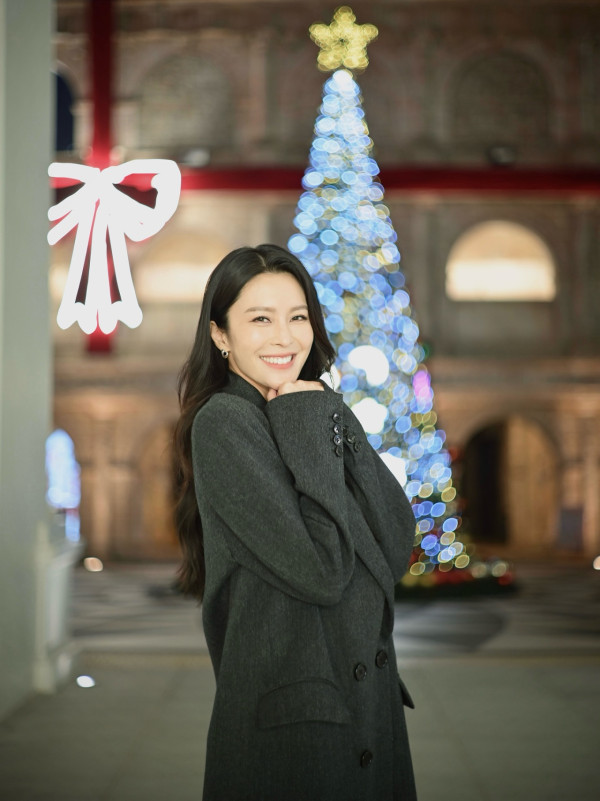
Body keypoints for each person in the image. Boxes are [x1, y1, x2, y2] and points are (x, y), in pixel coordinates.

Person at [173, 243, 418, 801]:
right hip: (294, 729)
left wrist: (327, 410)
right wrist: (306, 416)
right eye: (260, 319)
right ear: (220, 335)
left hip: (367, 707)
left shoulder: (311, 404)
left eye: (298, 317)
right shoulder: (225, 423)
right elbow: (321, 572)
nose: (284, 338)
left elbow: (395, 539)